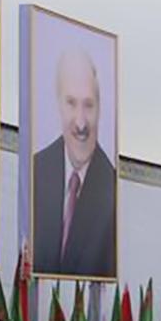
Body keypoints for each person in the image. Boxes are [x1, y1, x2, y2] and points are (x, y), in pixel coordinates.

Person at [33, 49, 117, 277]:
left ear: (100, 109)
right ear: (58, 104)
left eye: (88, 105)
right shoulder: (36, 172)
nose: (80, 123)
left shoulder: (112, 190)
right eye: (71, 103)